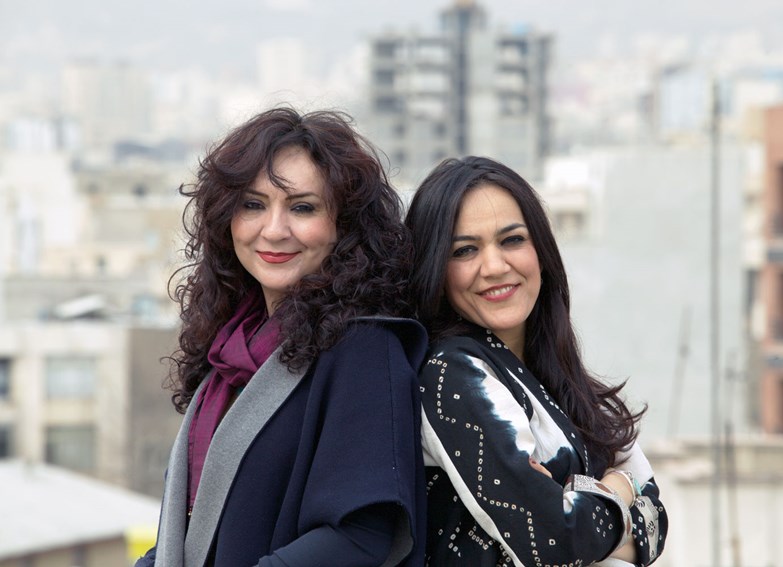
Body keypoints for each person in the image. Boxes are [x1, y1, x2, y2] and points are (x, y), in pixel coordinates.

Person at [136, 107, 427, 567]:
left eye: (302, 207)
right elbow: (195, 532)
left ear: (344, 226)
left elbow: (362, 536)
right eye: (253, 205)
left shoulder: (364, 349)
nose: (273, 230)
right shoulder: (230, 355)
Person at [404, 156, 668, 567]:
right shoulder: (451, 374)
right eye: (465, 250)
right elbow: (554, 541)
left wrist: (579, 502)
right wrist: (619, 487)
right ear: (436, 268)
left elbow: (657, 522)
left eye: (511, 240)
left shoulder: (558, 377)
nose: (494, 267)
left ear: (540, 251)